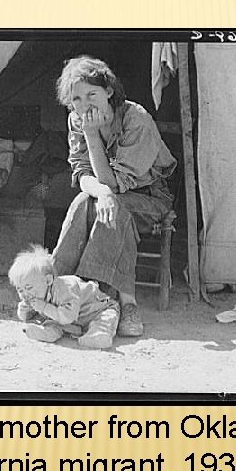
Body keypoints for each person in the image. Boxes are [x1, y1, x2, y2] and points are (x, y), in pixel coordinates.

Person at [52, 56, 176, 337]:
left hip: (150, 198)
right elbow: (83, 174)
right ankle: (58, 285)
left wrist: (92, 136)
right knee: (85, 201)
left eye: (91, 95)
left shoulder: (136, 119)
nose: (84, 106)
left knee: (114, 207)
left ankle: (100, 298)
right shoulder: (77, 119)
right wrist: (103, 193)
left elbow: (115, 182)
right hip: (109, 198)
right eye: (76, 99)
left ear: (108, 91)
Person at [8, 245, 121, 349]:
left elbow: (68, 316)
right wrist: (24, 311)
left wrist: (44, 307)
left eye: (28, 287)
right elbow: (27, 316)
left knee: (104, 320)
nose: (24, 294)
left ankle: (98, 335)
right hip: (68, 320)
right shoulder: (38, 294)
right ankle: (46, 333)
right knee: (52, 322)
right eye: (20, 289)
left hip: (98, 310)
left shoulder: (67, 288)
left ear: (48, 280)